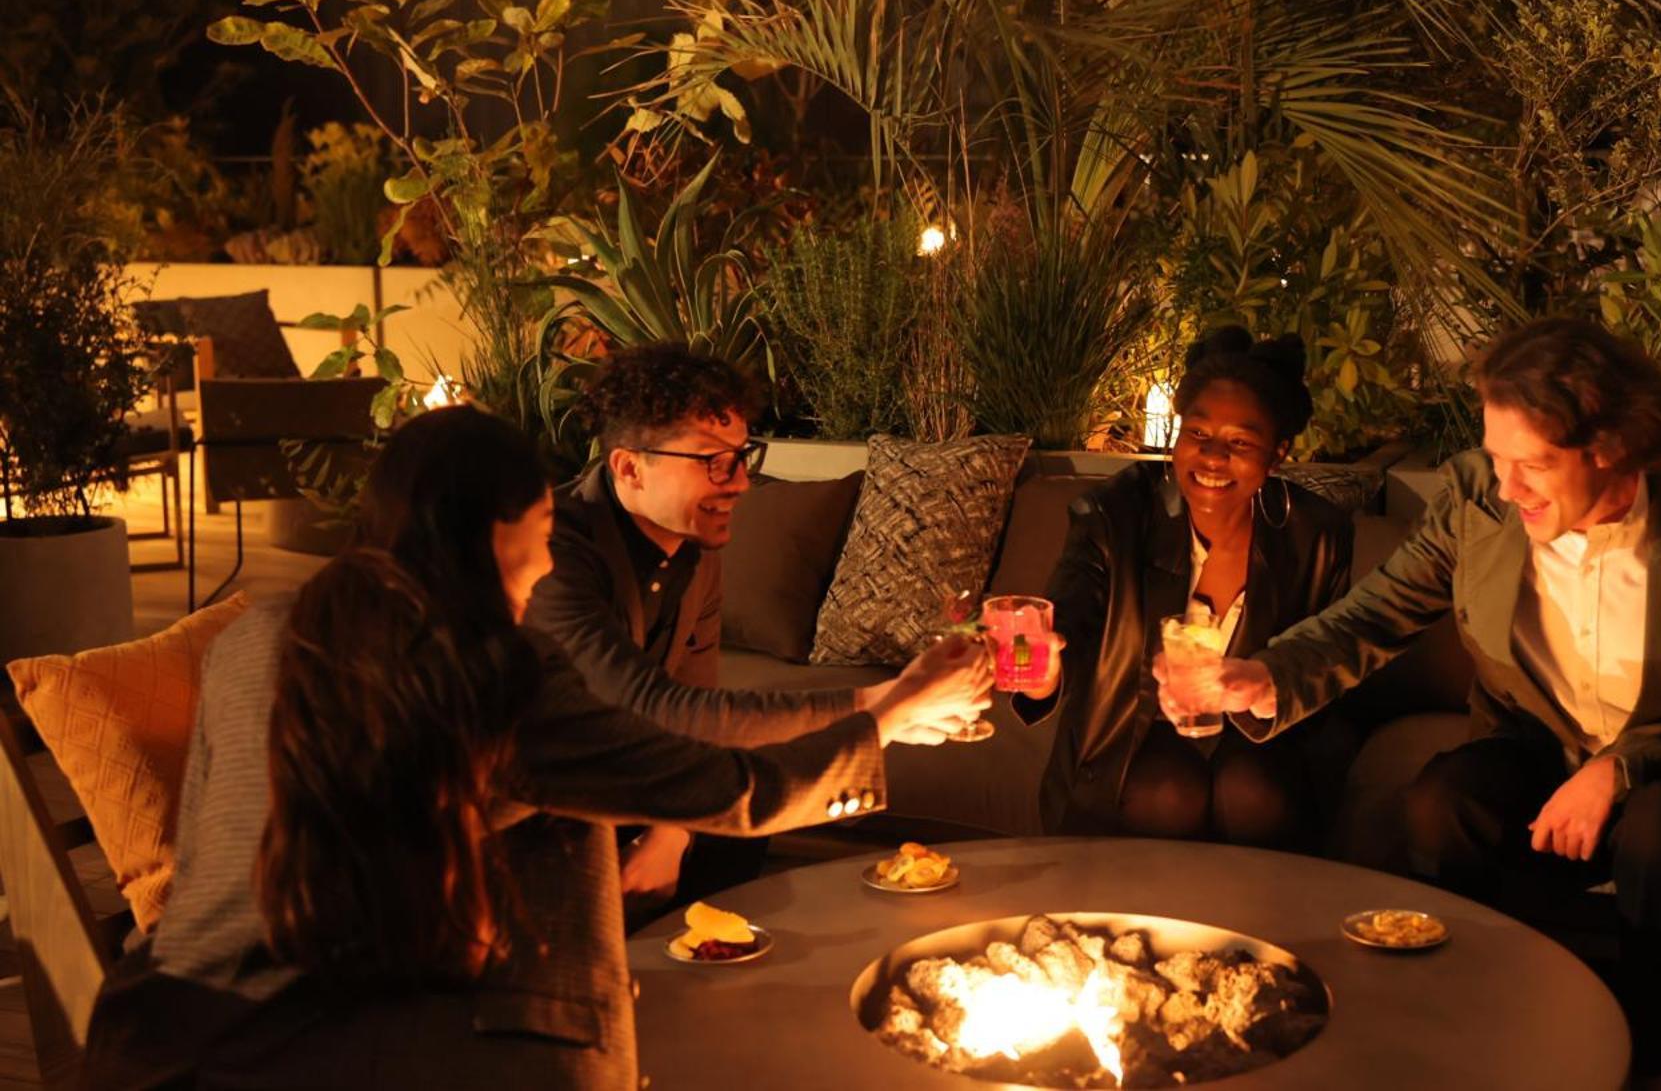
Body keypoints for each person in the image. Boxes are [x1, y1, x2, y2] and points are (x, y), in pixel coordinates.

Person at [83, 406, 988, 1089]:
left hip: (169, 1034)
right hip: (388, 1055)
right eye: (542, 537)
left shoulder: (251, 637)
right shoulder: (491, 674)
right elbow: (731, 787)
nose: (550, 565)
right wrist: (887, 717)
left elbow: (203, 849)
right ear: (488, 539)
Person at [1159, 317, 1661, 1080]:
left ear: (1606, 449)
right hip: (1546, 751)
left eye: (1529, 465)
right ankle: (1471, 1036)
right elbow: (1375, 613)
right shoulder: (1480, 498)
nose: (1507, 488)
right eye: (1497, 460)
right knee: (1444, 801)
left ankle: (1645, 1057)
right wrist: (1266, 674)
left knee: (1660, 833)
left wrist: (1622, 768)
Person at [524, 342, 985, 913]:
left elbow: (698, 703)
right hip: (543, 808)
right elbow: (648, 709)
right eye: (712, 461)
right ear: (628, 467)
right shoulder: (551, 555)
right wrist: (883, 704)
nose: (739, 483)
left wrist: (674, 832)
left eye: (743, 456)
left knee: (740, 812)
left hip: (632, 778)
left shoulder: (696, 544)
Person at [1016, 328, 1354, 846]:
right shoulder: (1115, 512)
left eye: (1240, 442)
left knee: (1253, 789)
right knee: (1168, 791)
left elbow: (1327, 667)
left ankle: (1254, 920)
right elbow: (1071, 612)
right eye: (1197, 434)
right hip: (1135, 733)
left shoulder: (1317, 536)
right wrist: (1043, 666)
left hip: (1257, 736)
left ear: (1277, 453)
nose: (1213, 457)